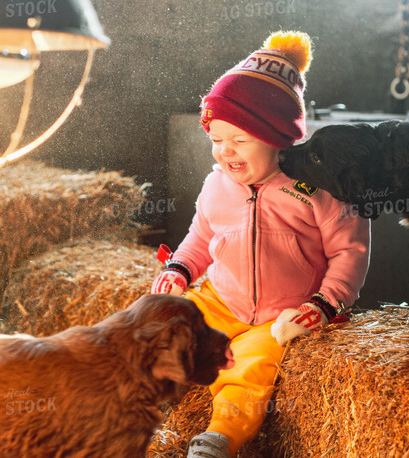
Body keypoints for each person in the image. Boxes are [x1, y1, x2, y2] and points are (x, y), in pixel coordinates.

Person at [151, 30, 371, 457]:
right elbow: (202, 235)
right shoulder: (217, 184)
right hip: (220, 299)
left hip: (278, 315)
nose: (224, 153)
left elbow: (350, 252)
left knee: (248, 368)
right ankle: (139, 394)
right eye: (216, 140)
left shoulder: (318, 187)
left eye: (239, 140)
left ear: (277, 137)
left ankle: (218, 440)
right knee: (164, 326)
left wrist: (324, 305)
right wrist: (179, 268)